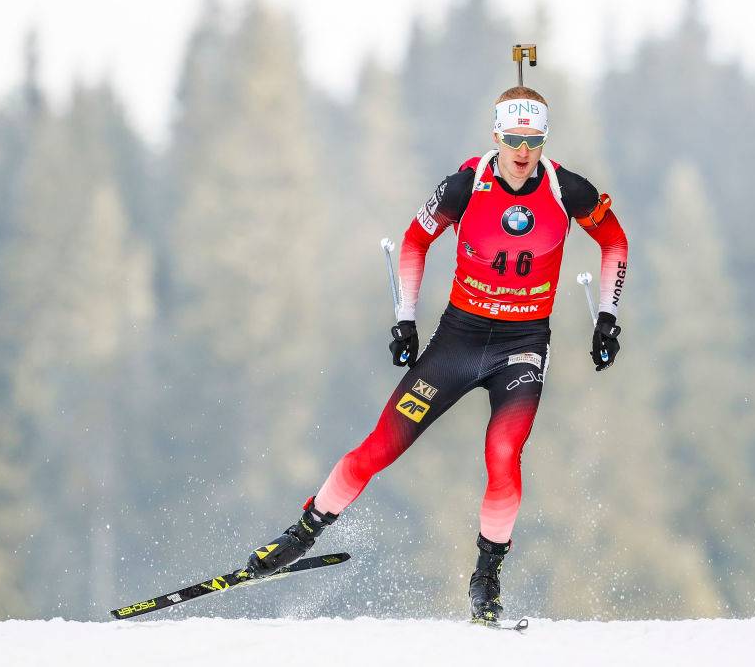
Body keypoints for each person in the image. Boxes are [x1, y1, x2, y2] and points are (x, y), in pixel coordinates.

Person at [244, 86, 629, 623]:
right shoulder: (466, 184)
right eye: (513, 138)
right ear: (496, 135)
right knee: (380, 446)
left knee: (503, 454)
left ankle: (486, 578)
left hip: (521, 347)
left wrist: (606, 317)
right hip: (458, 341)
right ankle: (302, 534)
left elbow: (615, 242)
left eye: (533, 140)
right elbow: (412, 242)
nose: (522, 151)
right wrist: (405, 319)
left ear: (544, 140)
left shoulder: (568, 190)